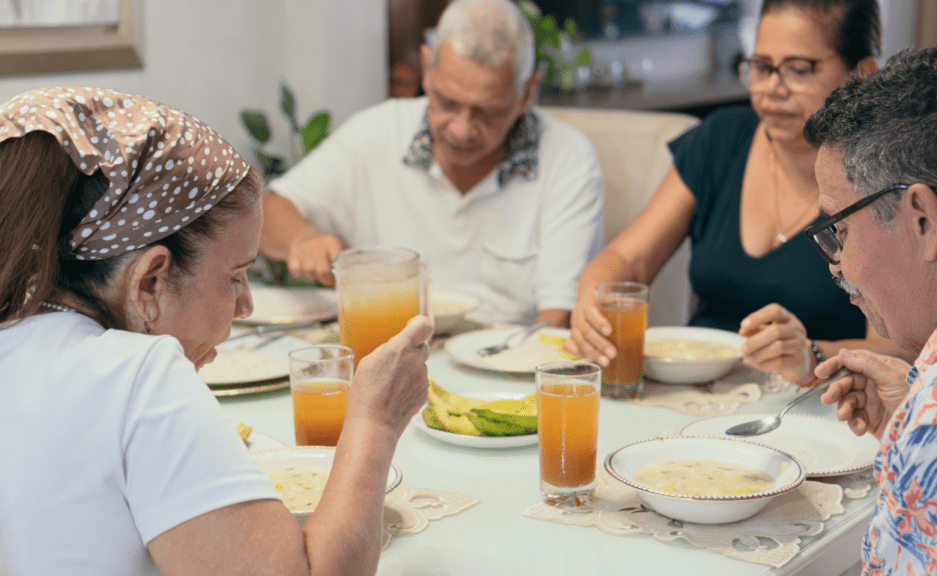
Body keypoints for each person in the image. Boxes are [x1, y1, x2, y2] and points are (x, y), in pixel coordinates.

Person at [0, 87, 431, 576]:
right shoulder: (136, 378)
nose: (246, 304)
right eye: (234, 276)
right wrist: (374, 422)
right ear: (151, 281)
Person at [567, 0, 912, 386]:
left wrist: (810, 353)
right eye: (761, 67)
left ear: (863, 72)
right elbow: (627, 259)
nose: (772, 89)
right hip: (695, 392)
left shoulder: (883, 176)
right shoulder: (721, 139)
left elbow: (900, 351)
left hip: (819, 402)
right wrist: (591, 294)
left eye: (799, 70)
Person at [803, 47, 937, 574]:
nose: (837, 266)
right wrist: (913, 413)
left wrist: (930, 428)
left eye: (840, 229)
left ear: (922, 218)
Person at [259, 0, 604, 328]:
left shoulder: (567, 159)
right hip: (383, 349)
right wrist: (302, 238)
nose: (461, 129)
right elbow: (267, 213)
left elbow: (558, 318)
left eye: (487, 111)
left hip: (505, 368)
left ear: (527, 92)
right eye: (447, 102)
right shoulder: (376, 132)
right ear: (427, 68)